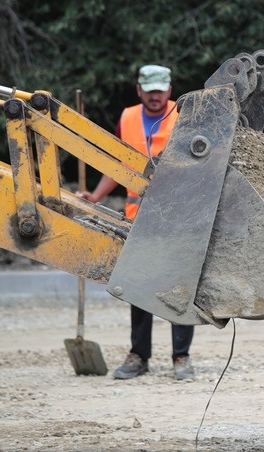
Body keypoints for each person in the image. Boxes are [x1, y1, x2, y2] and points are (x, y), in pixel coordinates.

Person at [77, 64, 195, 381]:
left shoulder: (185, 116)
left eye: (160, 90)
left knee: (178, 289)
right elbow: (118, 163)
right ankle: (138, 356)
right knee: (138, 288)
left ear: (169, 90)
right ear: (139, 90)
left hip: (177, 219)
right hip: (138, 221)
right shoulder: (128, 118)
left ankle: (181, 358)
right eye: (150, 90)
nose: (155, 96)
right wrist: (96, 197)